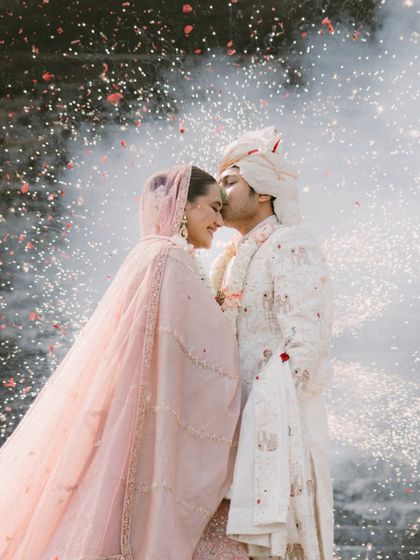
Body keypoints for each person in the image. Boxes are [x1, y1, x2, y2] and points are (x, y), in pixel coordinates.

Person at [0, 164, 248, 560]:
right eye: (212, 208)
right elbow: (206, 360)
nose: (219, 220)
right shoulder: (171, 261)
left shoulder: (148, 255)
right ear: (183, 207)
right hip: (147, 433)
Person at [211, 127, 334, 559]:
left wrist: (272, 417)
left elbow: (307, 343)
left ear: (264, 191)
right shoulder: (229, 257)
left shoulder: (290, 243)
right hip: (232, 426)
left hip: (276, 430)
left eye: (230, 182)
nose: (219, 193)